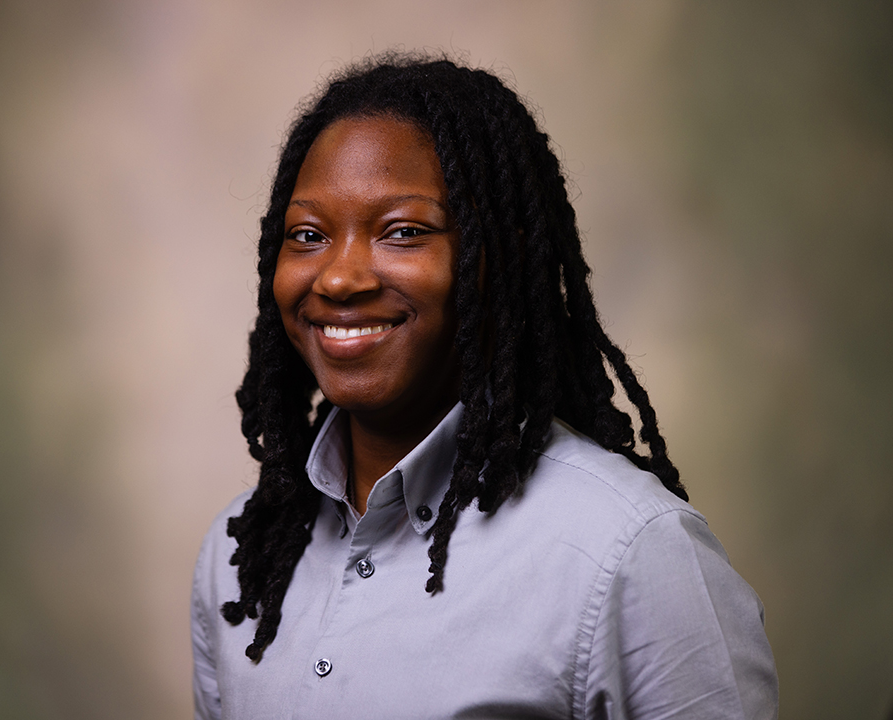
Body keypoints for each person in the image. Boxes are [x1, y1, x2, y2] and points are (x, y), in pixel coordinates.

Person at [191, 54, 778, 719]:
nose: (338, 277)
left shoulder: (631, 552)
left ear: (493, 258)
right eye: (308, 235)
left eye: (403, 232)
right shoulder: (240, 560)